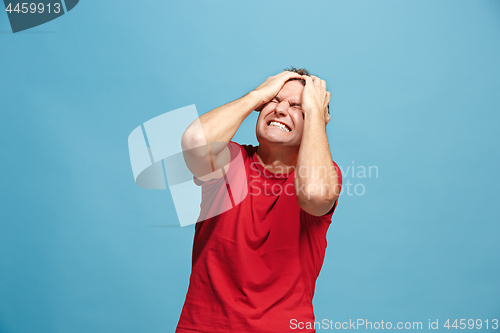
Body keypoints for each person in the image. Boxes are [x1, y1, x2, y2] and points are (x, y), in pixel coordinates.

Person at [176, 68, 343, 333]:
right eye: (275, 100)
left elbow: (314, 194)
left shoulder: (324, 174)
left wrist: (316, 115)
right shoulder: (229, 161)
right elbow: (195, 142)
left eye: (298, 106)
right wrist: (258, 94)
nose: (281, 109)